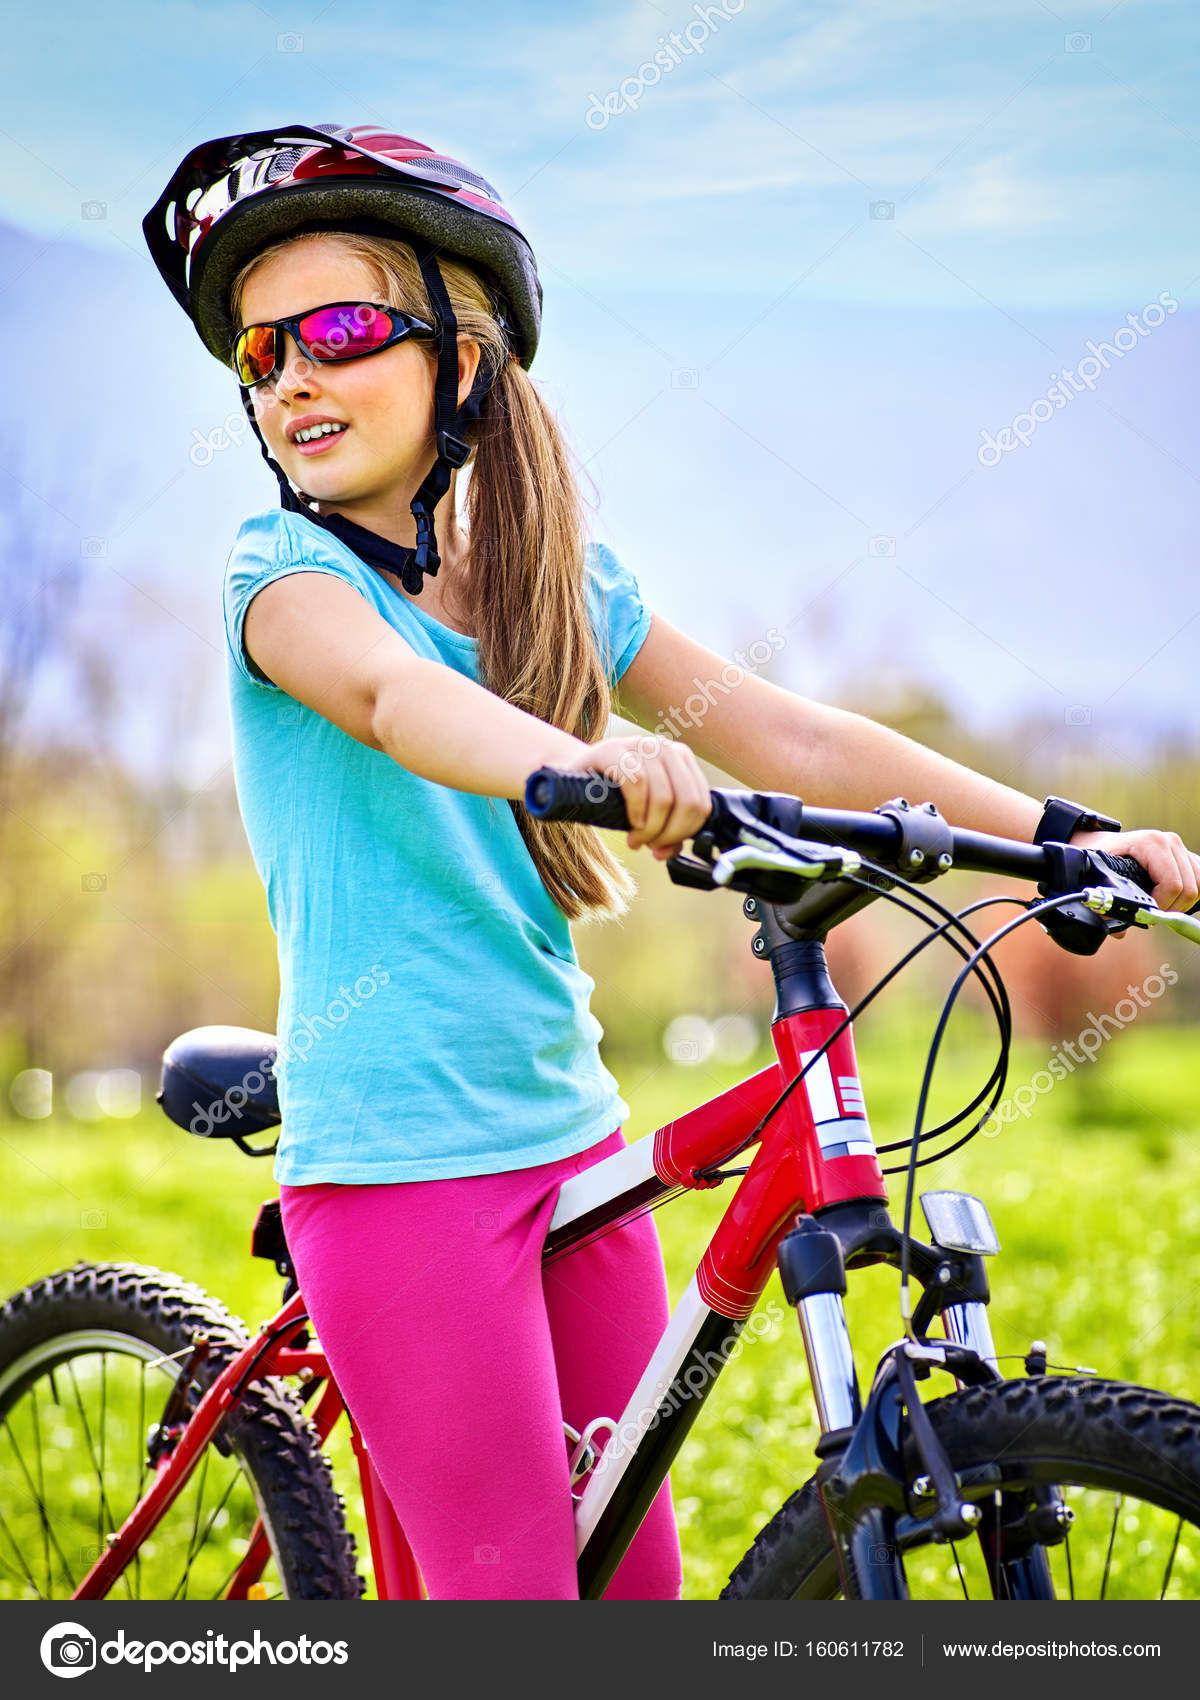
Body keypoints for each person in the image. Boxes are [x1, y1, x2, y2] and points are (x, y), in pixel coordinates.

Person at [143, 125, 1200, 1601]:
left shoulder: (551, 581)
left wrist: (1059, 834)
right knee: (513, 1608)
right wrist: (581, 761)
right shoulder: (284, 582)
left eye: (335, 331)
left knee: (634, 1603)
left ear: (467, 355)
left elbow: (789, 733)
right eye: (260, 355)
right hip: (400, 1168)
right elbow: (399, 700)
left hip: (569, 1143)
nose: (290, 378)